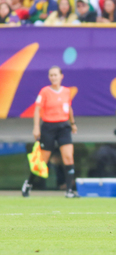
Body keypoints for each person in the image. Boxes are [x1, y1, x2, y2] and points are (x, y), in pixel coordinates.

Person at [21, 66, 79, 198]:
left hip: (63, 126)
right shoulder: (45, 91)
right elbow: (37, 110)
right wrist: (36, 127)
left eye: (55, 75)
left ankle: (69, 190)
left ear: (61, 76)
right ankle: (29, 183)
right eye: (51, 75)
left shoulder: (66, 91)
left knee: (68, 156)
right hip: (48, 126)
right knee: (43, 160)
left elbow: (69, 108)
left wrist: (73, 123)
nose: (53, 77)